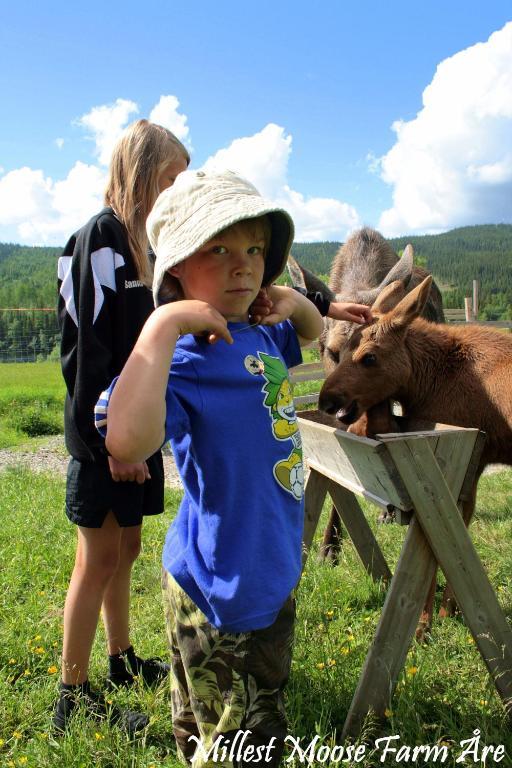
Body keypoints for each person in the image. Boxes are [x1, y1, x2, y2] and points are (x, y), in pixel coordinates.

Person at [95, 169, 324, 765]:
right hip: (221, 590)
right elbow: (125, 440)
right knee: (234, 742)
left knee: (236, 719)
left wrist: (295, 302)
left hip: (268, 566)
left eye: (254, 249)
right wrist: (162, 325)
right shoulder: (185, 356)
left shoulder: (259, 335)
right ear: (175, 268)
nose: (243, 266)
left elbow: (316, 332)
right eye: (218, 249)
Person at [55, 119, 189, 735]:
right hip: (106, 438)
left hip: (136, 432)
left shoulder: (149, 247)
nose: (177, 189)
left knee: (127, 548)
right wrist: (110, 442)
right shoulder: (101, 240)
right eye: (170, 177)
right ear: (140, 175)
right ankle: (72, 694)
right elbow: (89, 353)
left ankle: (120, 658)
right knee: (98, 557)